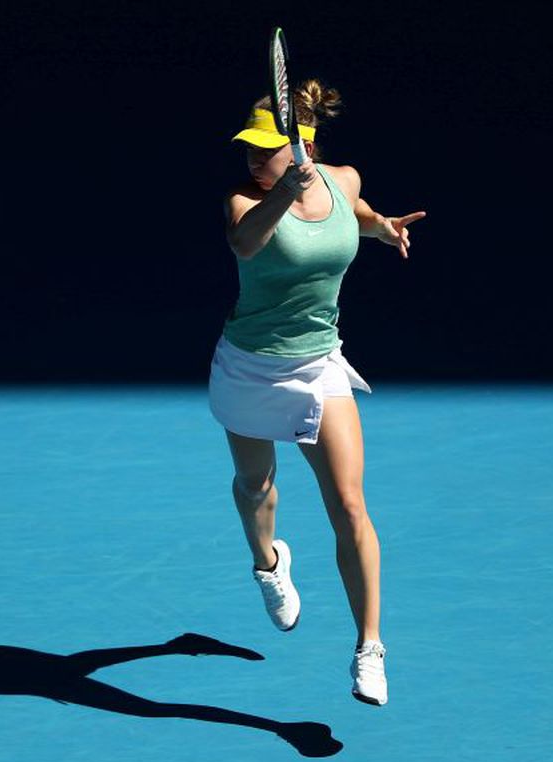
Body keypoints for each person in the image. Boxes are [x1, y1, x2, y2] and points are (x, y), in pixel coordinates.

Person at [209, 79, 426, 707]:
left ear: (303, 144)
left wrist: (382, 227)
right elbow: (246, 243)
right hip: (250, 367)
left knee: (351, 506)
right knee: (255, 485)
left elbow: (354, 213)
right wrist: (282, 191)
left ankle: (369, 648)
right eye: (249, 148)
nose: (253, 158)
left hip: (319, 365)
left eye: (267, 148)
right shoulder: (244, 201)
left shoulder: (344, 180)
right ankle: (268, 565)